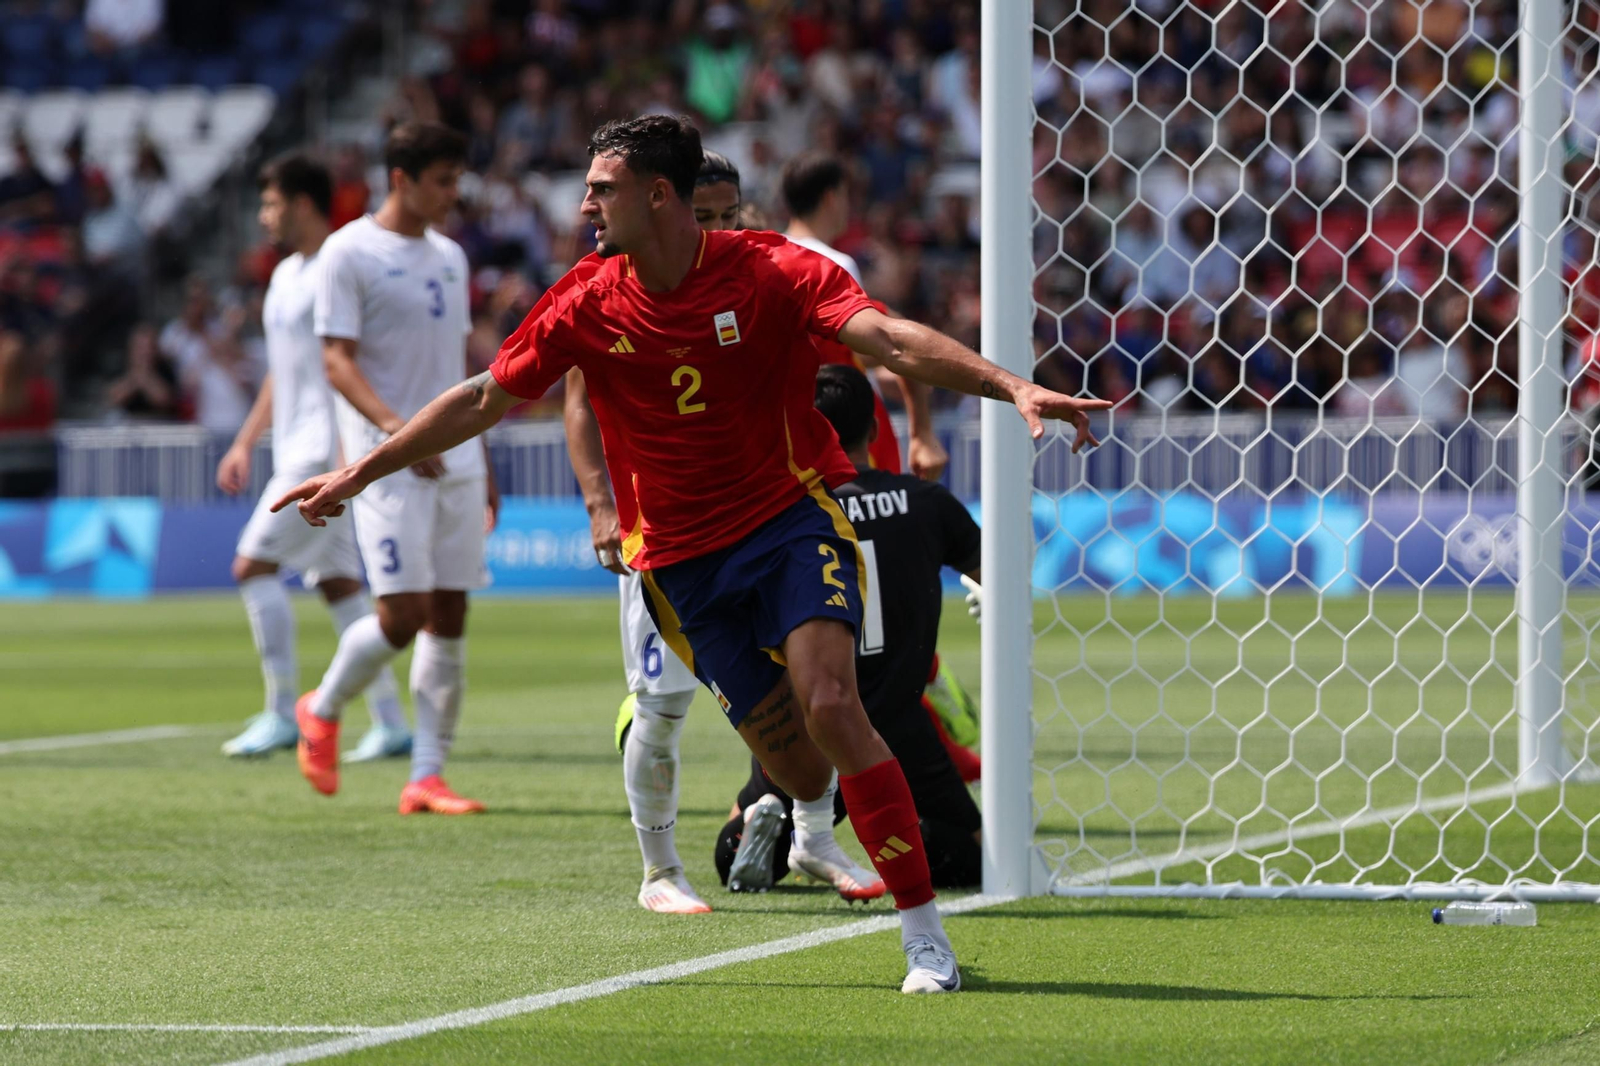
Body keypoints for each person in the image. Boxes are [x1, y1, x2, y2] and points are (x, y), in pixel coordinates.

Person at [274, 115, 1110, 993]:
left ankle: (923, 935)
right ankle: (802, 824)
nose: (585, 202)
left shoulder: (772, 271)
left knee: (833, 701)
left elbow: (891, 339)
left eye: (602, 187)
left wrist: (1011, 384)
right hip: (680, 563)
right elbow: (489, 394)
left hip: (791, 520)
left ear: (657, 195)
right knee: (796, 767)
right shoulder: (588, 298)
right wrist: (360, 472)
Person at [568, 149, 883, 917]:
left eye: (725, 214)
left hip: (766, 519)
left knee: (815, 687)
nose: (711, 228)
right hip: (665, 535)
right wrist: (600, 506)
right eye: (700, 214)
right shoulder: (609, 282)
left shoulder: (763, 274)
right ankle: (658, 870)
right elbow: (575, 399)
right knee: (660, 704)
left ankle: (813, 835)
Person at [295, 122, 500, 813]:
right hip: (390, 463)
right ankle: (320, 707)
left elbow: (458, 370)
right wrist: (398, 434)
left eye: (457, 181)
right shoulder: (348, 252)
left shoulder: (449, 256)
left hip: (460, 458)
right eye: (442, 181)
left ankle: (427, 774)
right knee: (403, 612)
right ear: (401, 179)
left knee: (451, 611)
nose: (452, 194)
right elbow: (335, 360)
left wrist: (485, 459)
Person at [719, 364, 983, 894]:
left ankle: (761, 816)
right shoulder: (925, 502)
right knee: (971, 857)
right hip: (899, 715)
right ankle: (896, 844)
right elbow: (994, 573)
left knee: (736, 853)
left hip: (810, 714)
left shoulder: (782, 515)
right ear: (877, 430)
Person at [784, 151, 981, 777]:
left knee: (847, 614)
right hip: (849, 447)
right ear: (835, 196)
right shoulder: (829, 263)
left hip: (809, 453)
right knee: (878, 603)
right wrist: (920, 430)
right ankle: (929, 698)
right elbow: (895, 343)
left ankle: (920, 715)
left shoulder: (760, 262)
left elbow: (881, 352)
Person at [214, 152, 409, 762]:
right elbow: (284, 370)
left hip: (322, 454)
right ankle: (390, 721)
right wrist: (247, 440)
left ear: (301, 204)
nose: (264, 216)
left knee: (252, 568)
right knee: (340, 587)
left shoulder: (336, 265)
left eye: (271, 204)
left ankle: (278, 713)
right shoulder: (283, 276)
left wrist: (353, 457)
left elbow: (343, 359)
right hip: (293, 448)